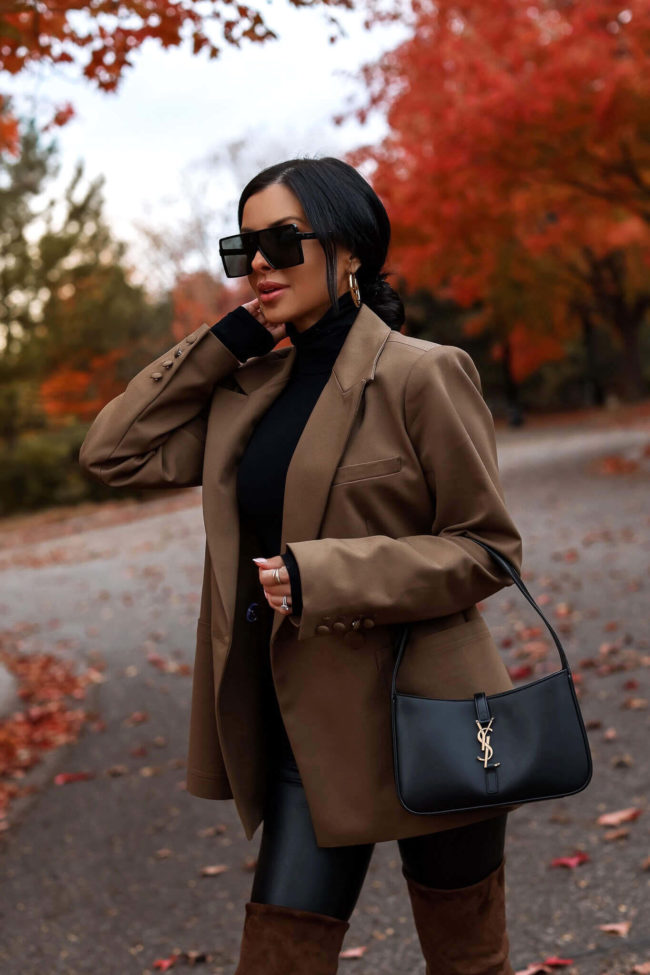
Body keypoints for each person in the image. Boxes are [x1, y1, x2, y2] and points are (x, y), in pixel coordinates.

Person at [79, 156, 523, 975]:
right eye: (242, 247)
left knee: (471, 964)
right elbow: (112, 451)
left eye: (282, 241)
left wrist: (328, 575)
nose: (259, 264)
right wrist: (227, 339)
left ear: (347, 249)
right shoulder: (246, 393)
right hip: (307, 738)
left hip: (433, 719)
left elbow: (486, 549)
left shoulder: (422, 374)